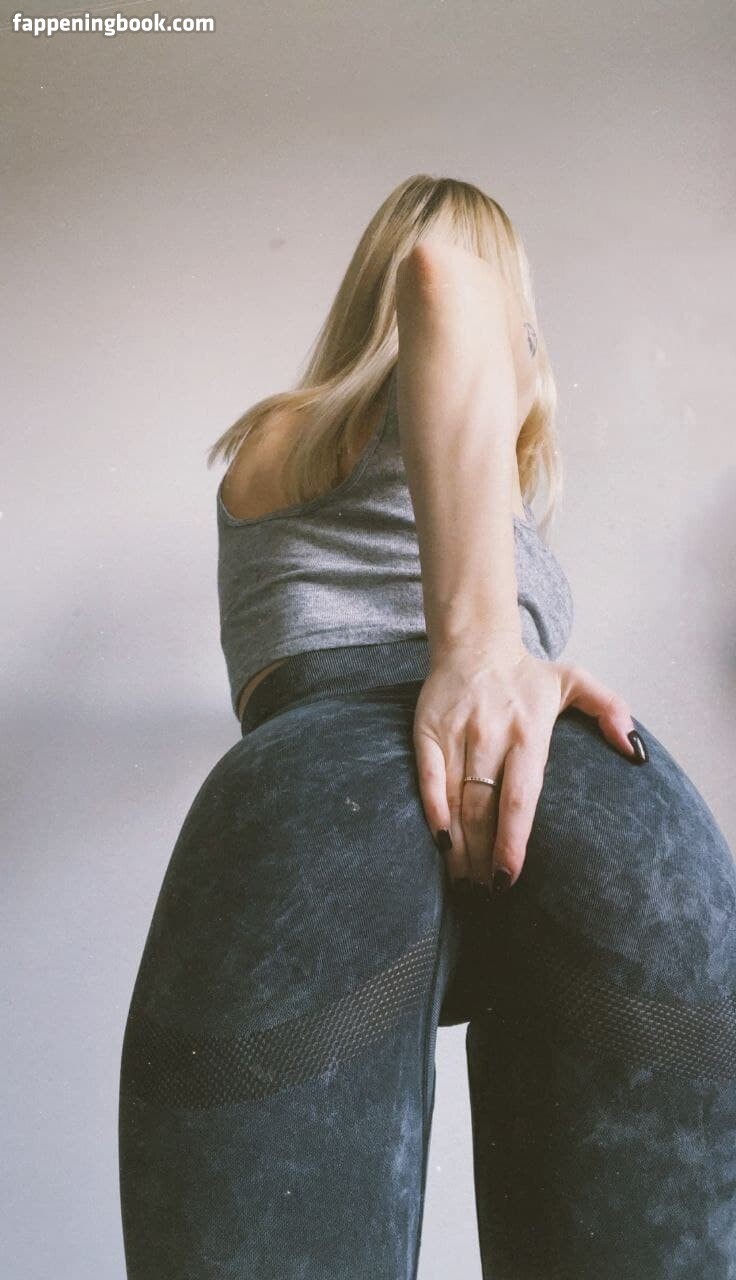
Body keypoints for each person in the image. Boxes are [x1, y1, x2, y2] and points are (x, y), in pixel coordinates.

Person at [117, 175, 736, 1280]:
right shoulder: (322, 424)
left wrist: (485, 653)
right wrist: (480, 650)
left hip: (328, 801)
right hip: (585, 796)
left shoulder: (283, 449)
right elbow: (446, 278)